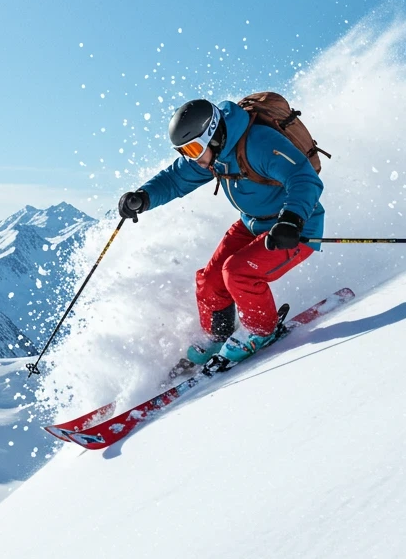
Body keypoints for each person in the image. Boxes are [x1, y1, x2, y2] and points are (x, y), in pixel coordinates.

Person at [118, 98, 324, 364]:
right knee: (211, 280)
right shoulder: (212, 154)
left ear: (212, 134)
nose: (191, 157)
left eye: (193, 148)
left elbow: (304, 178)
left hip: (295, 226)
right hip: (253, 222)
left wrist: (292, 219)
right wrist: (143, 197)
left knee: (238, 272)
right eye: (184, 151)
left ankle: (260, 331)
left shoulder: (259, 144)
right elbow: (175, 179)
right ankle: (219, 335)